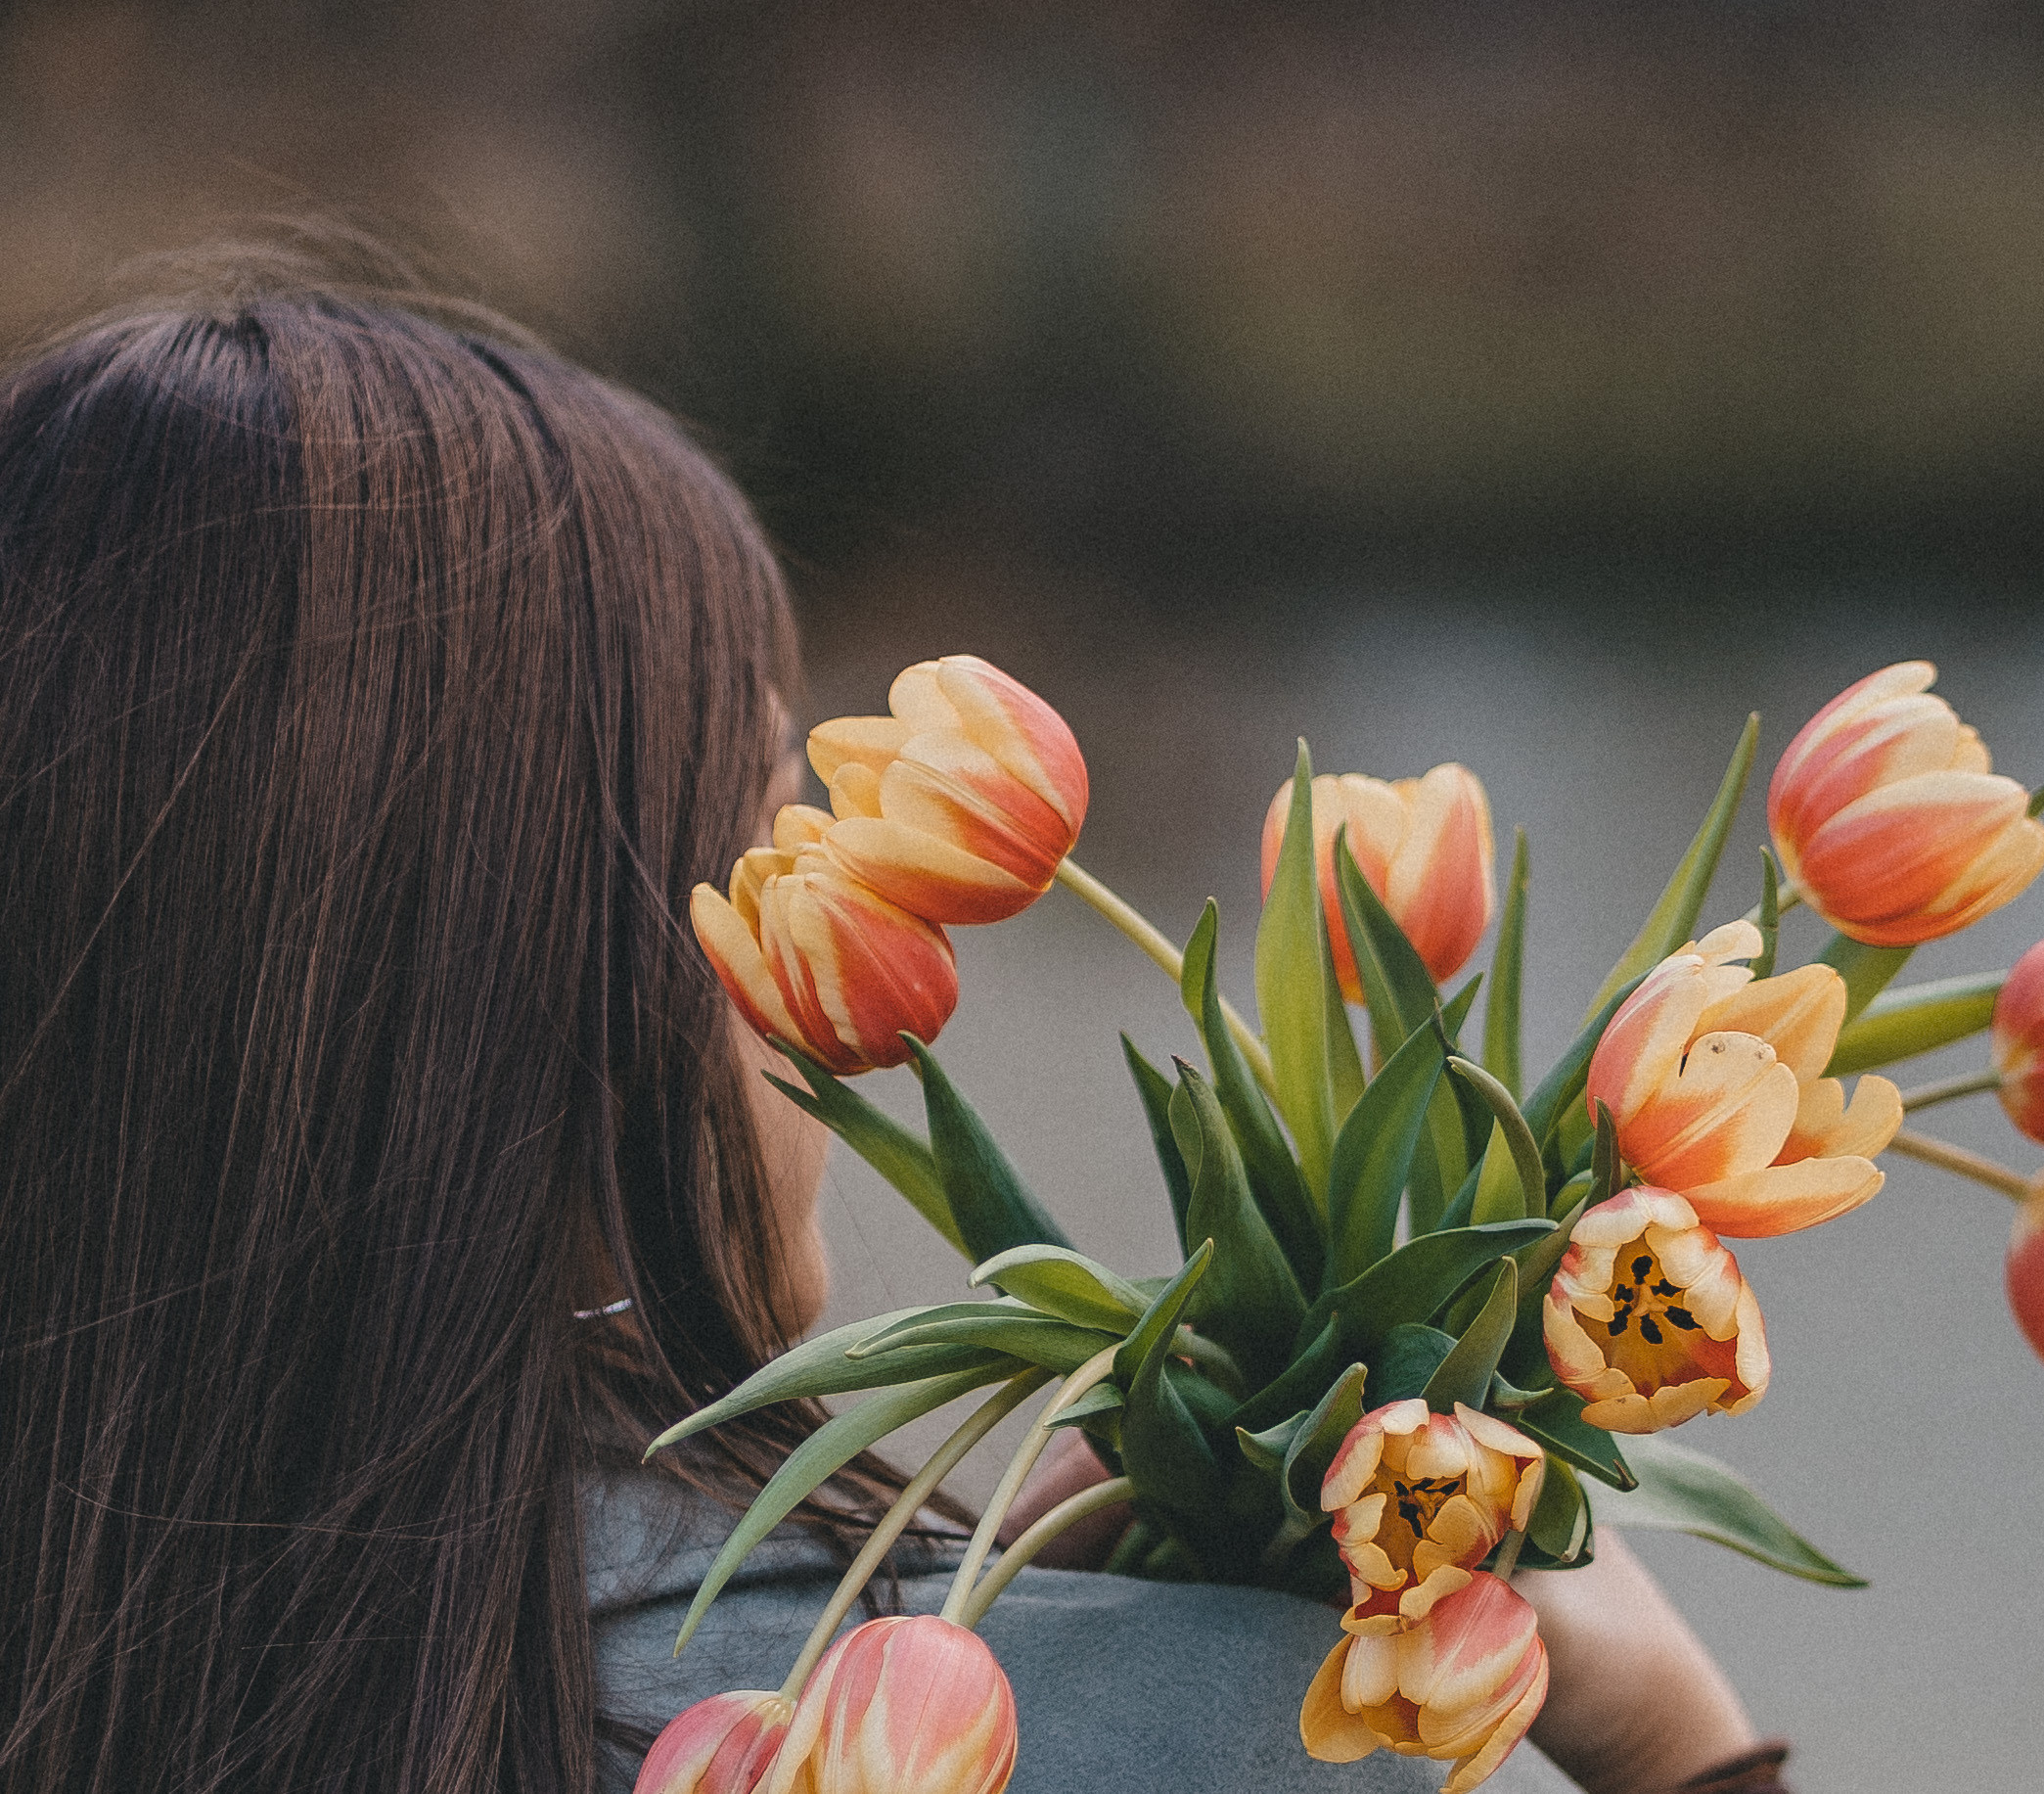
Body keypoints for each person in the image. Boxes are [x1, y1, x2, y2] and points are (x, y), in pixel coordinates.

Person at [0, 275, 1781, 1794]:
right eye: (777, 830)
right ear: (542, 1015)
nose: (845, 915)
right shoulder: (1178, 1736)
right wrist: (1672, 1744)